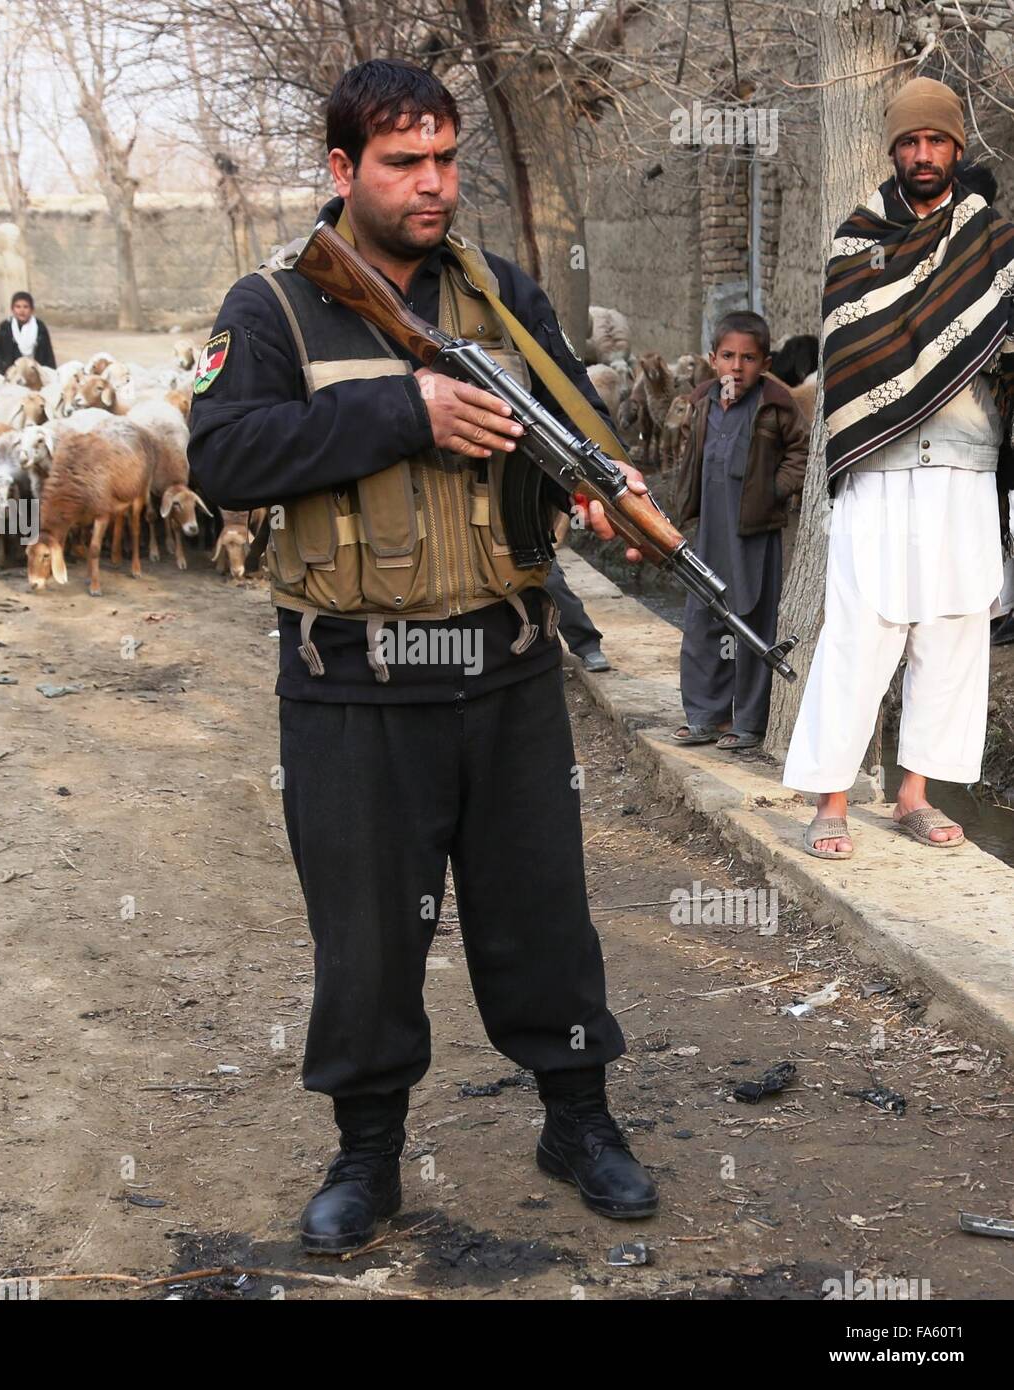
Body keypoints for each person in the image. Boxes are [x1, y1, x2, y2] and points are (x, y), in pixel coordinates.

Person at [188, 58, 658, 1253]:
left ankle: (579, 1119)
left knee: (543, 916)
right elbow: (224, 458)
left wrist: (602, 478)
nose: (434, 183)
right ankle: (368, 1156)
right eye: (405, 163)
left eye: (447, 158)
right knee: (367, 934)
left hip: (505, 669)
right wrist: (407, 408)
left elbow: (574, 421)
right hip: (352, 687)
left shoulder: (498, 294)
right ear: (343, 170)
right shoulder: (271, 307)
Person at [783, 76, 1014, 856]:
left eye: (936, 141)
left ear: (956, 147)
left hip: (965, 458)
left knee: (953, 627)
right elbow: (851, 347)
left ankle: (913, 794)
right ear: (893, 150)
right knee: (860, 626)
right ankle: (833, 799)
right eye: (910, 142)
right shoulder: (858, 240)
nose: (923, 154)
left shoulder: (992, 239)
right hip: (880, 461)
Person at [672, 312, 808, 750]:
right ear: (712, 359)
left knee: (750, 621)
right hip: (710, 529)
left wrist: (775, 491)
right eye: (728, 356)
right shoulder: (703, 402)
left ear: (765, 362)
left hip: (754, 532)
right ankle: (704, 716)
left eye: (748, 358)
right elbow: (692, 455)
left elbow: (800, 451)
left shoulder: (774, 403)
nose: (737, 366)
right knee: (702, 620)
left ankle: (748, 722)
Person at [0, 291, 56, 373]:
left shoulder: (40, 327)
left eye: (25, 307)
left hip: (35, 372)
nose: (22, 310)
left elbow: (48, 353)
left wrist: (51, 372)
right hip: (10, 372)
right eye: (18, 307)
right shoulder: (5, 327)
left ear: (32, 309)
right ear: (12, 309)